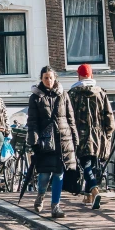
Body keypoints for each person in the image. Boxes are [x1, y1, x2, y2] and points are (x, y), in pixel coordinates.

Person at [27, 65, 79, 218]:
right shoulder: (35, 97)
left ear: (55, 78)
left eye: (51, 77)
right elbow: (32, 122)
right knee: (44, 174)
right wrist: (34, 142)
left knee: (59, 173)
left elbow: (70, 117)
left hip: (63, 139)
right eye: (45, 78)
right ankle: (41, 195)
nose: (49, 80)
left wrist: (75, 138)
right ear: (41, 79)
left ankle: (55, 206)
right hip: (46, 141)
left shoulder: (63, 95)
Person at [68, 63, 114, 209]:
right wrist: (108, 132)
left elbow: (68, 116)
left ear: (79, 75)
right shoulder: (100, 93)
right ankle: (88, 197)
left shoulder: (72, 94)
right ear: (91, 75)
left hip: (79, 134)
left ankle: (94, 189)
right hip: (97, 134)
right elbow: (108, 114)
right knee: (92, 164)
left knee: (85, 164)